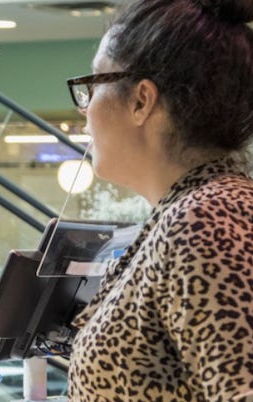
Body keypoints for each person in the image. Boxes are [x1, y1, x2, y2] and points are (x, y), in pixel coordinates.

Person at [64, 0, 253, 400]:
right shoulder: (194, 212)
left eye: (94, 84)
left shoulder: (205, 221)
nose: (85, 110)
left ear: (141, 101)